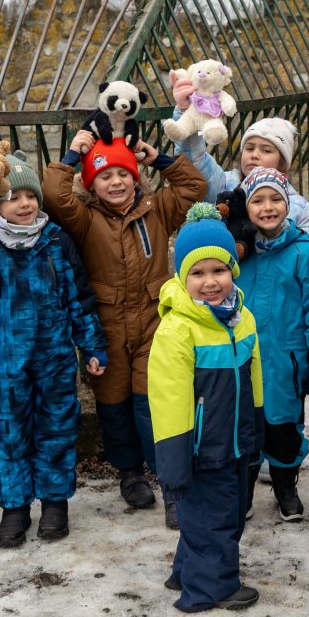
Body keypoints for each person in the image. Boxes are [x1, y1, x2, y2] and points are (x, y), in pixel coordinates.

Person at [43, 132, 207, 529]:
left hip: (154, 323)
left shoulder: (158, 208)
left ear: (136, 177)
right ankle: (130, 473)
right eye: (104, 176)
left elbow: (195, 187)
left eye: (123, 174)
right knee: (113, 406)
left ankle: (171, 484)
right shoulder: (84, 218)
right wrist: (72, 155)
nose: (115, 182)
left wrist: (157, 158)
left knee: (155, 404)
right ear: (90, 184)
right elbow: (53, 195)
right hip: (107, 327)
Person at [0, 153, 109, 547]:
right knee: (8, 433)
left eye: (30, 196)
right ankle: (14, 507)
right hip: (2, 362)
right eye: (12, 197)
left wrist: (91, 344)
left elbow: (79, 298)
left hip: (53, 359)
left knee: (56, 428)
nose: (24, 204)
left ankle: (54, 502)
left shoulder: (55, 241)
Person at [150, 204, 263, 612]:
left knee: (220, 511)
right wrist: (174, 457)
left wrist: (257, 426)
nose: (210, 281)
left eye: (219, 270)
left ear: (233, 269)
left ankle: (187, 570)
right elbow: (168, 397)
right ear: (182, 277)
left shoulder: (241, 318)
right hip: (199, 446)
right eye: (197, 273)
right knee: (215, 517)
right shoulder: (178, 329)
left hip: (233, 438)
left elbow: (254, 376)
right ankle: (210, 588)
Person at [233, 168, 309, 521]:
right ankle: (243, 490)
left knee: (284, 428)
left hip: (285, 362)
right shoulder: (238, 254)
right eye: (258, 200)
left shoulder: (303, 254)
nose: (268, 207)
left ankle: (285, 486)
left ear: (287, 204)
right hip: (242, 360)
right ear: (246, 208)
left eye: (276, 199)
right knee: (244, 427)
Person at [169, 94, 309, 246]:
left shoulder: (298, 207)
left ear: (282, 163)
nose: (254, 155)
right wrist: (186, 111)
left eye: (266, 150)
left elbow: (307, 253)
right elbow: (195, 161)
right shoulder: (225, 183)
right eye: (249, 148)